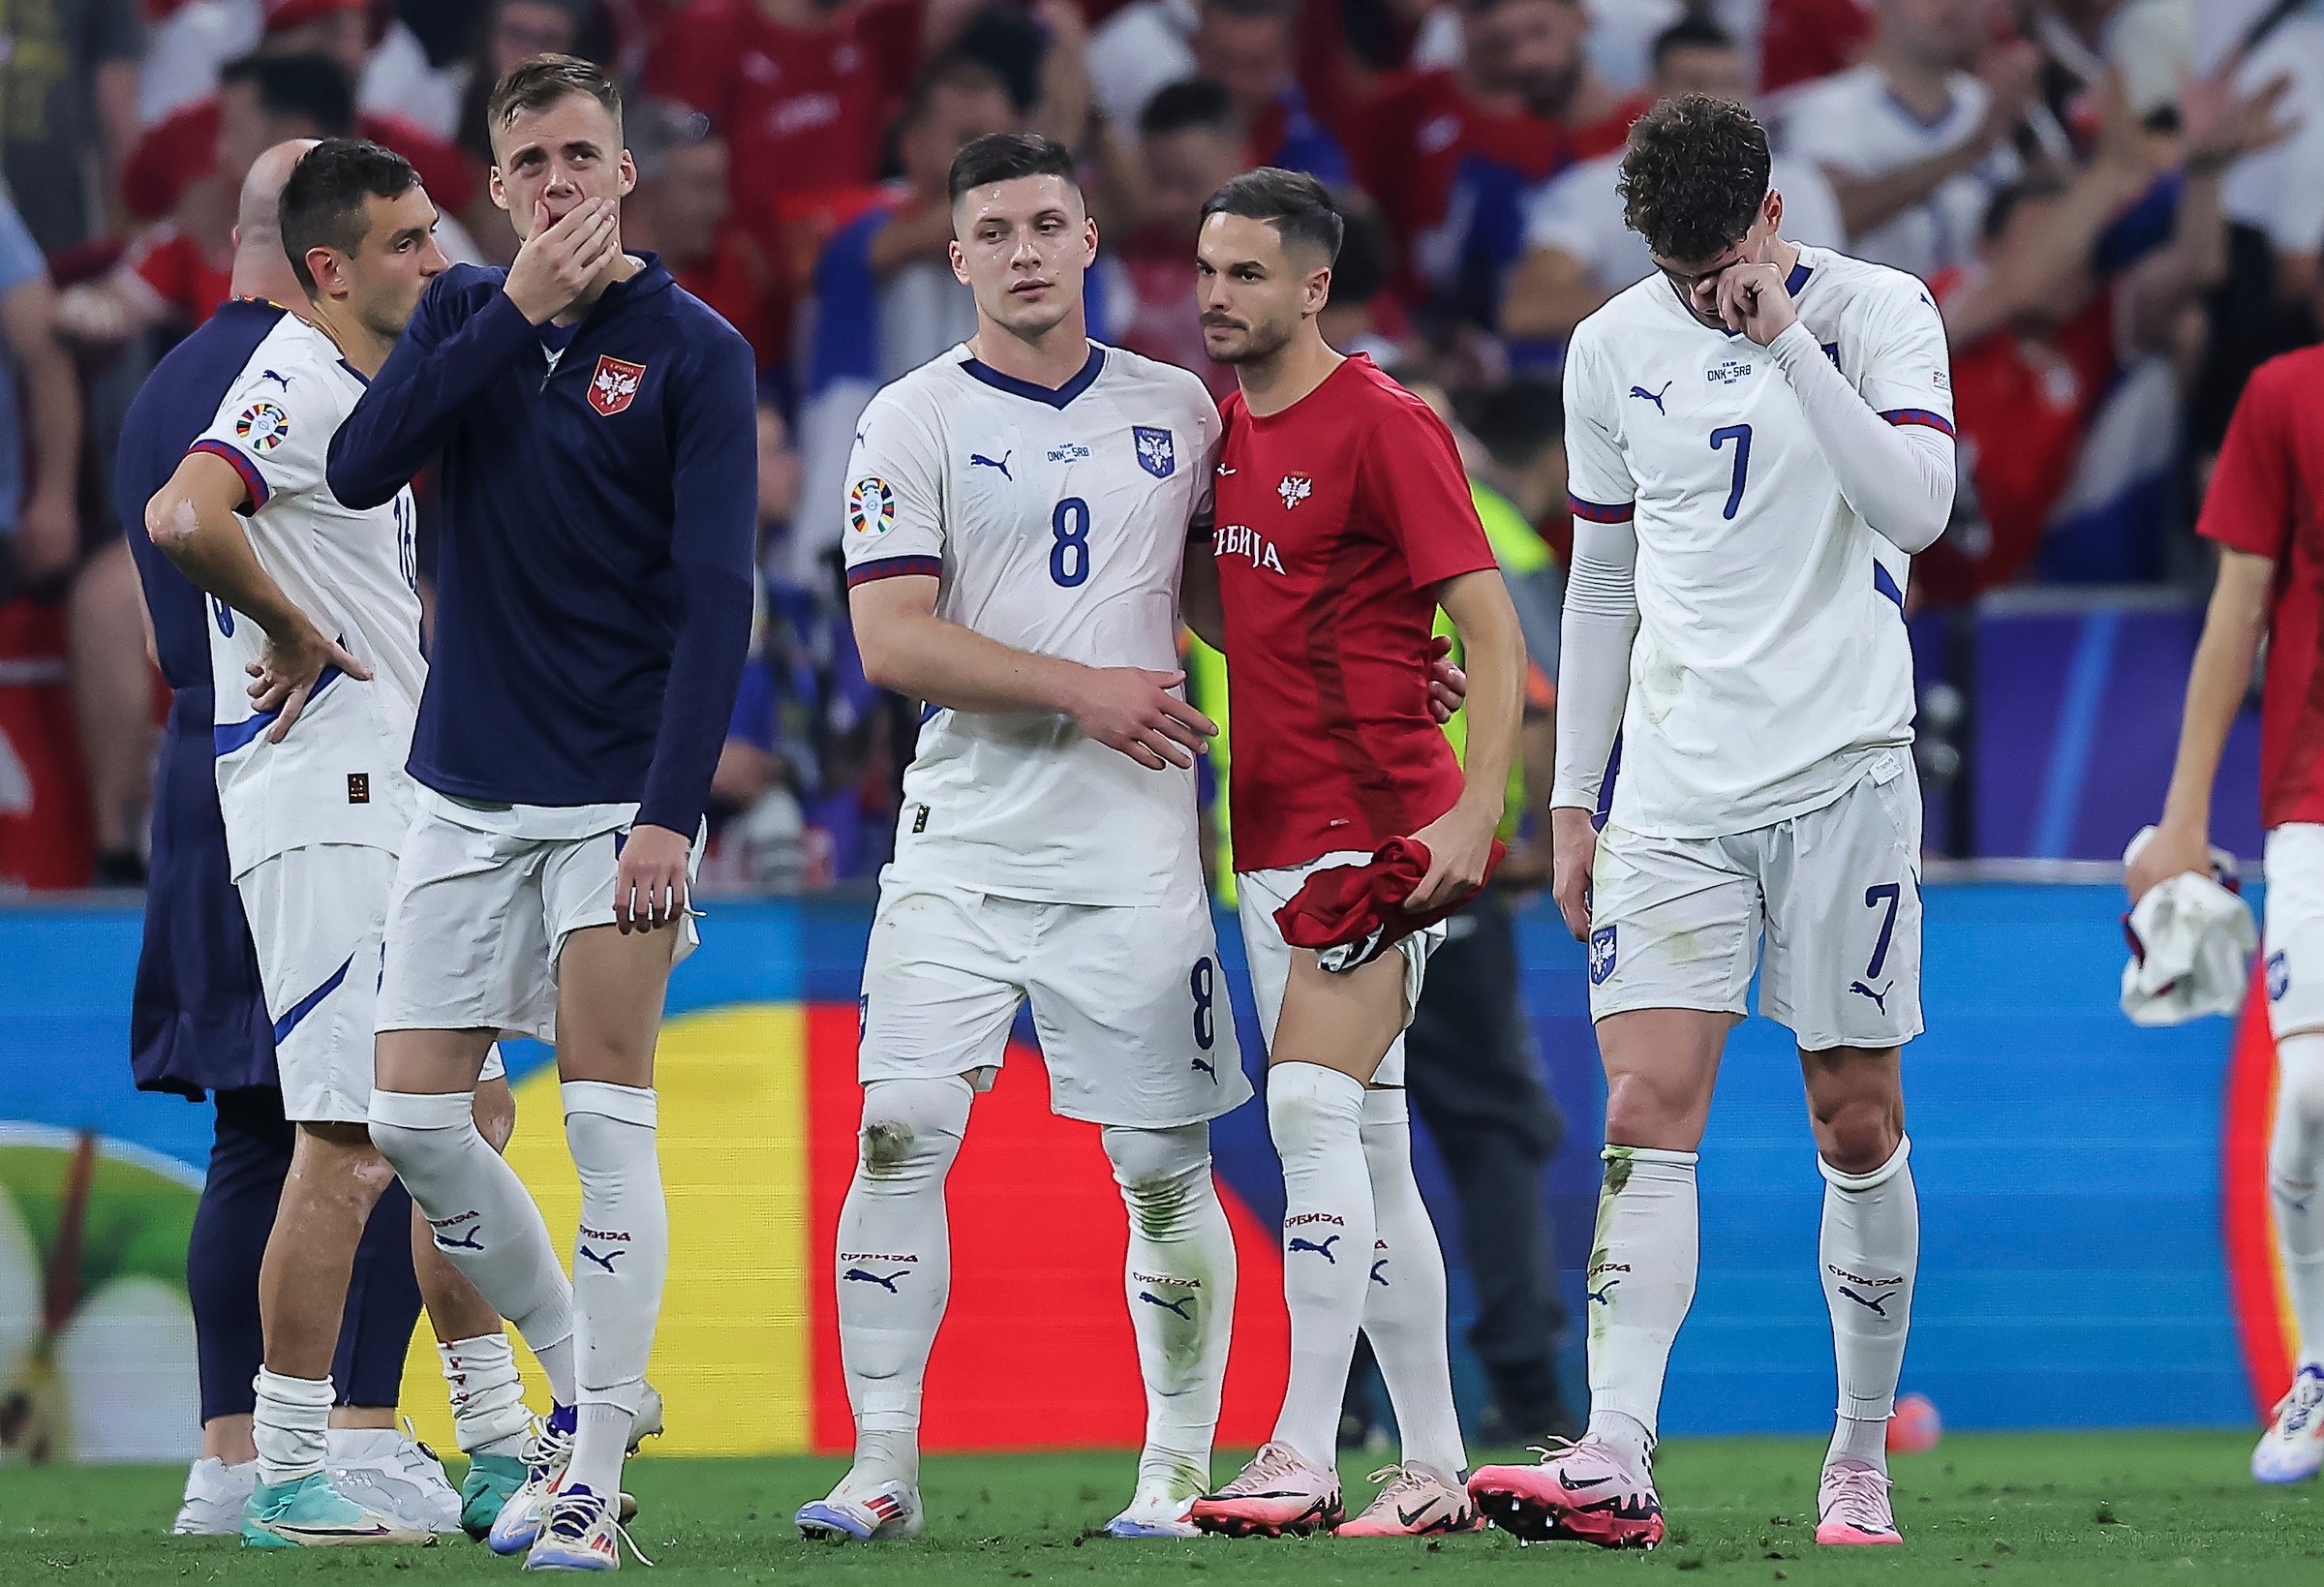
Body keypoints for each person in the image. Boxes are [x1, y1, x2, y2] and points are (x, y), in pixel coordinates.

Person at [1467, 92, 1956, 1551]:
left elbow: (1919, 506)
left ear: (1772, 213)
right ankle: (1617, 1443)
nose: (1700, 291)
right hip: (1676, 789)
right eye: (1677, 272)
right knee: (1642, 1106)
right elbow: (1605, 585)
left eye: (1718, 256)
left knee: (1852, 1117)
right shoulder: (1612, 348)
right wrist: (1573, 797)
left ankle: (1858, 1453)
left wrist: (1784, 344)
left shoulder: (1881, 313)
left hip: (1843, 771)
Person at [799, 127, 1256, 1545]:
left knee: (1163, 1165)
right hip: (963, 841)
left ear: (1090, 239)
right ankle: (883, 1464)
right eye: (992, 232)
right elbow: (888, 639)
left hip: (1134, 855)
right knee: (897, 1130)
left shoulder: (1182, 408)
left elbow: (1224, 608)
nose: (1023, 253)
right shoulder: (910, 417)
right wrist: (1086, 689)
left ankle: (1173, 1469)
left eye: (1047, 225)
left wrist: (1362, 667)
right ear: (957, 258)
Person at [333, 54, 756, 1571]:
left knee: (605, 1108)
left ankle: (585, 1477)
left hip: (612, 798)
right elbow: (359, 462)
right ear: (498, 186)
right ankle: (594, 1378)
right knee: (410, 1119)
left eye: (585, 154)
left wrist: (669, 810)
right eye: (532, 161)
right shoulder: (460, 316)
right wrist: (505, 311)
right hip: (464, 780)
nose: (561, 182)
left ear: (627, 172)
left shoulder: (698, 349)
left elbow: (719, 599)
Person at [119, 137, 522, 1542]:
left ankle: (496, 1445)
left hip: (398, 796)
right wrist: (290, 627)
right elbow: (183, 510)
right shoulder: (287, 378)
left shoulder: (367, 392)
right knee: (346, 1140)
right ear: (328, 269)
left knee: (459, 1123)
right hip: (327, 805)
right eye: (409, 241)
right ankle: (284, 1468)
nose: (437, 256)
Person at [1184, 168, 1526, 1540]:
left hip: (1374, 825)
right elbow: (1244, 601)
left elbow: (1495, 634)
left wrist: (1471, 815)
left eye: (1248, 274)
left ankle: (1301, 1446)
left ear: (1313, 286)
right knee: (1370, 1153)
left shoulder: (1386, 425)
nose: (1218, 296)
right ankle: (1434, 1462)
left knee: (1311, 1111)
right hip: (1265, 828)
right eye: (1208, 270)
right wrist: (1369, 651)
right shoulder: (1225, 429)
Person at [2125, 339, 2324, 1486]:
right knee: (2308, 1097)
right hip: (2312, 803)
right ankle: (2317, 1366)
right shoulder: (2285, 395)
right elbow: (2236, 609)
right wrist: (2184, 816)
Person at [1502, 16, 1845, 344]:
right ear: (1653, 91)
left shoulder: (1796, 186)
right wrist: (1683, 306)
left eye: (1729, 84)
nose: (1717, 101)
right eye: (1695, 83)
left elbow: (1822, 299)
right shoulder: (1591, 189)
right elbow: (1529, 306)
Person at [1348, 0, 1648, 323]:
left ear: (1579, 16)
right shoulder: (1401, 112)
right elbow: (1360, 239)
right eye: (1502, 43)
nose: (1524, 59)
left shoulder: (1646, 132)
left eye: (1538, 32)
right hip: (1433, 332)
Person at [1779, 0, 2040, 283]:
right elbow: (1824, 218)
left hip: (1979, 316)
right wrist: (1968, 153)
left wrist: (2032, 139)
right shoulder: (1827, 107)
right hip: (1871, 319)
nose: (1951, 6)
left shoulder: (1993, 102)